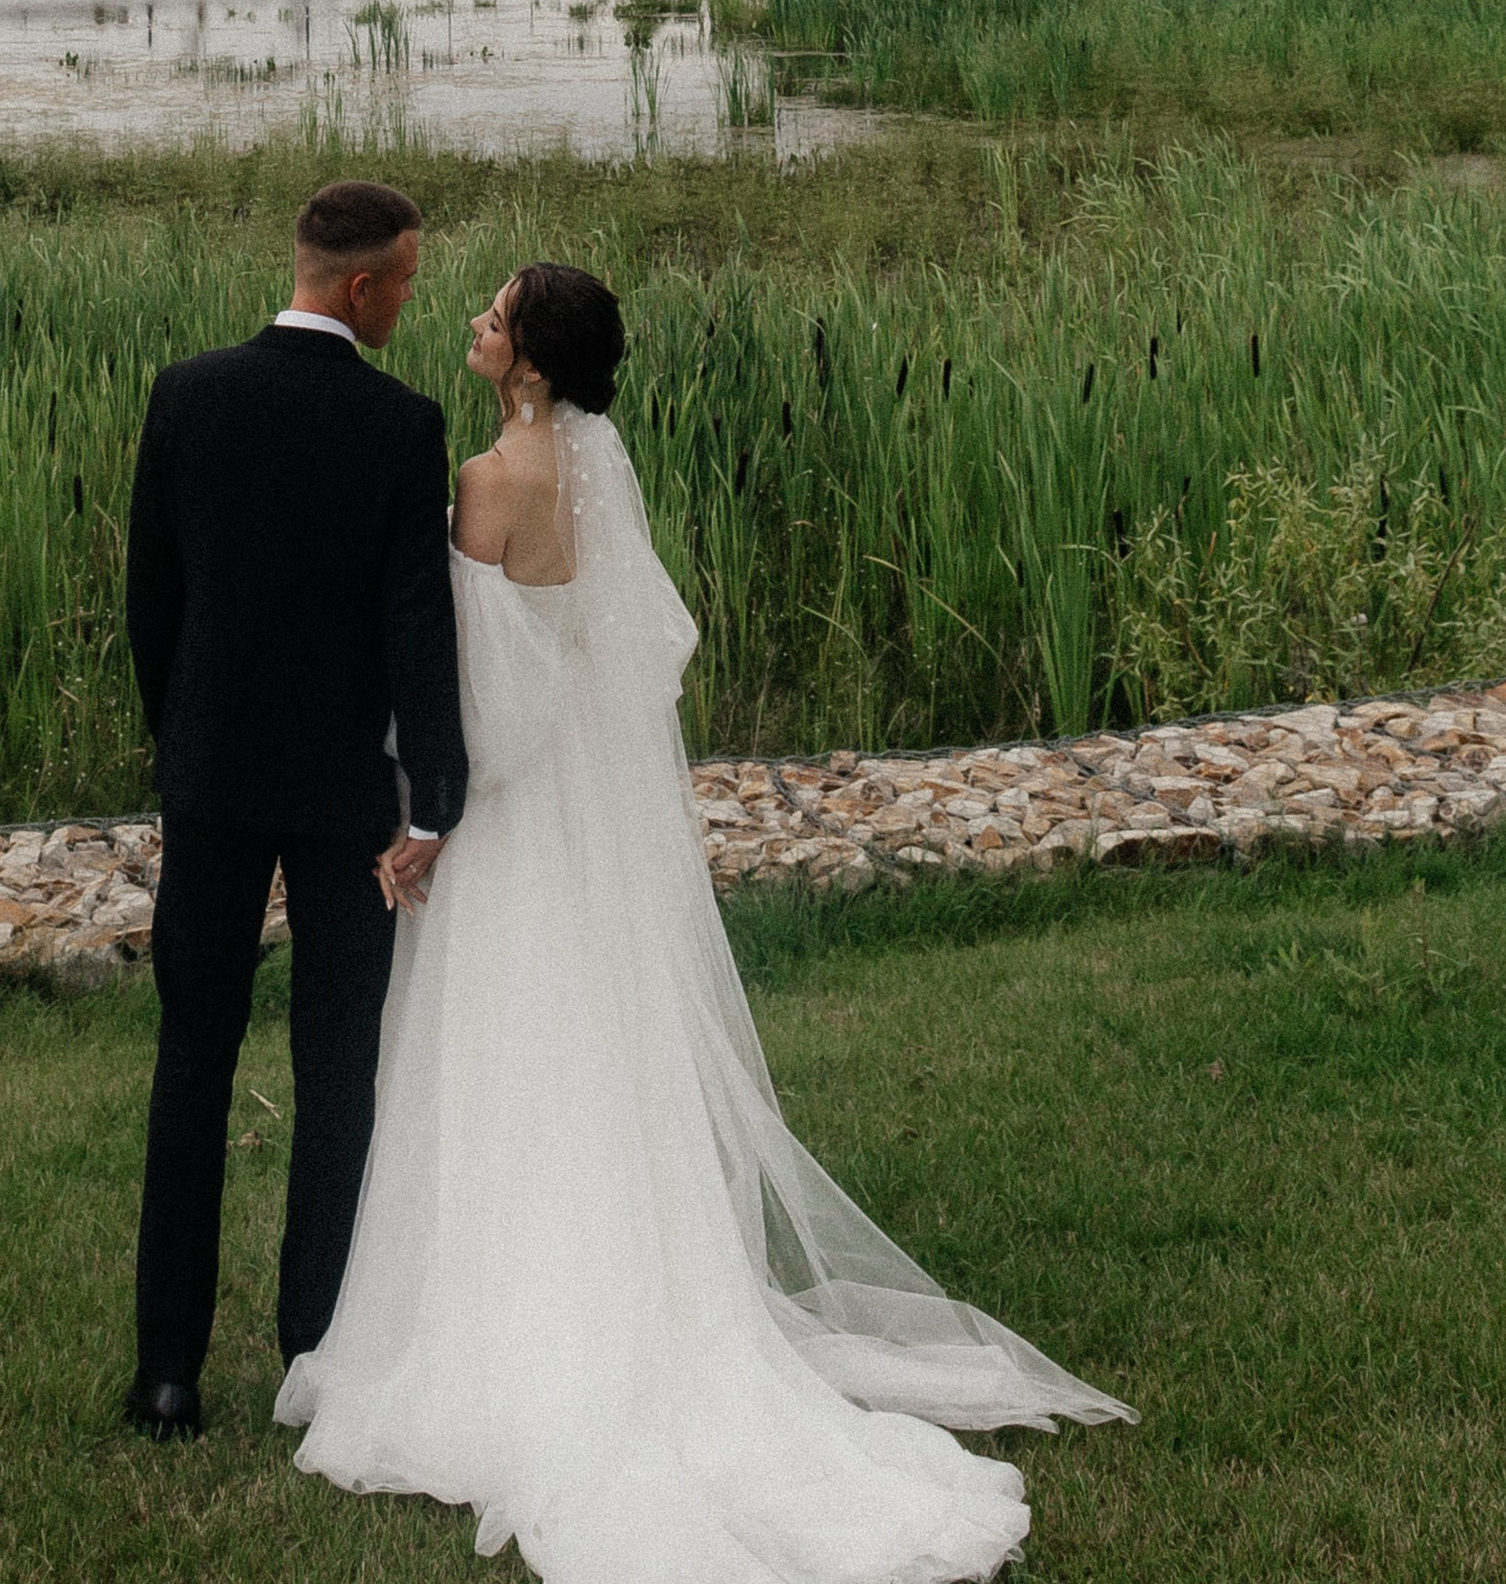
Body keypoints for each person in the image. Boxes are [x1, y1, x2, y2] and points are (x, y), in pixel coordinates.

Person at [278, 262, 1132, 1582]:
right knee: (598, 1061)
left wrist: (426, 820)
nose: (474, 324)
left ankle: (509, 1338)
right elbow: (610, 657)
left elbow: (487, 707)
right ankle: (645, 1300)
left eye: (495, 317)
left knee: (507, 1061)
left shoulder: (491, 481)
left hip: (514, 823)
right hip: (587, 825)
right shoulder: (592, 468)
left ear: (532, 364)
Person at [121, 176, 466, 1442]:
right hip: (342, 801)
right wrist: (434, 797)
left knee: (190, 1068)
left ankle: (166, 1374)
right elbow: (414, 634)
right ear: (366, 286)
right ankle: (311, 1353)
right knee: (335, 1075)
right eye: (409, 285)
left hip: (210, 783)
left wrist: (186, 744)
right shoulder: (401, 426)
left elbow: (151, 605)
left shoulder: (187, 396)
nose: (410, 305)